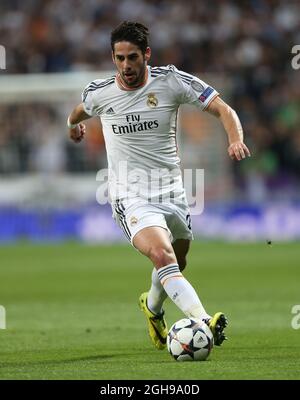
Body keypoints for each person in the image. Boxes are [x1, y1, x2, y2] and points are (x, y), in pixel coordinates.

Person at [67, 21, 251, 351]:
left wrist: (235, 139)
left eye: (132, 57)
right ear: (112, 58)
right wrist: (73, 127)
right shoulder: (101, 93)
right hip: (129, 192)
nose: (126, 66)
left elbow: (224, 109)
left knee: (176, 263)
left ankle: (152, 309)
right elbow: (79, 112)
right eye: (119, 58)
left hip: (172, 191)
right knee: (161, 255)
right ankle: (203, 320)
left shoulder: (172, 82)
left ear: (146, 55)